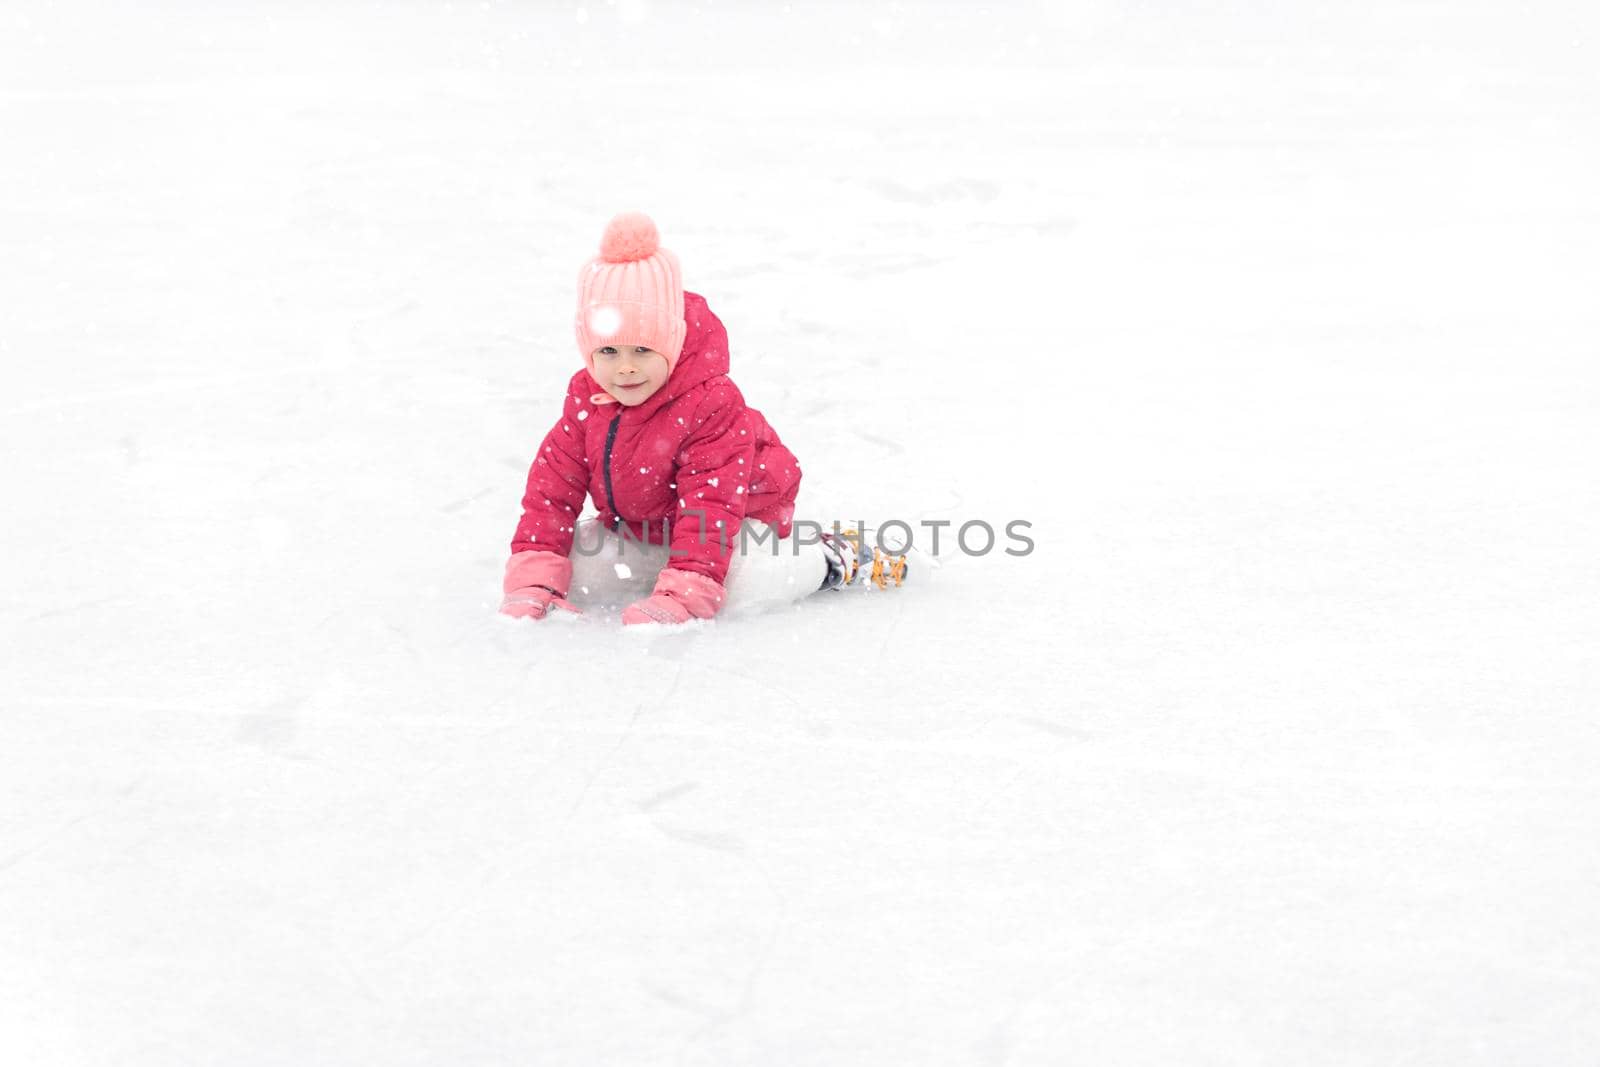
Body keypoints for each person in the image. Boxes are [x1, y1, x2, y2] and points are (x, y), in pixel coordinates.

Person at [498, 211, 908, 627]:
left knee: (743, 586)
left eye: (642, 350)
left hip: (737, 523)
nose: (625, 368)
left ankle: (830, 556)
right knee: (579, 570)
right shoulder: (587, 398)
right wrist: (535, 580)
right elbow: (551, 491)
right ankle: (667, 571)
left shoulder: (709, 404)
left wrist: (688, 589)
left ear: (671, 343)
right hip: (646, 528)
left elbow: (709, 507)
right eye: (608, 352)